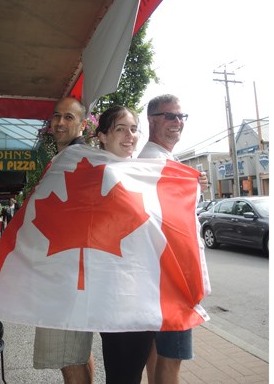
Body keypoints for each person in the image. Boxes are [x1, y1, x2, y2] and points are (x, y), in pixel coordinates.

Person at [138, 94, 208, 384]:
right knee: (172, 358)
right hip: (172, 278)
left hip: (160, 277)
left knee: (157, 353)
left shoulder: (163, 161)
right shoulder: (155, 164)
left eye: (181, 117)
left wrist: (193, 184)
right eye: (170, 116)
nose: (178, 122)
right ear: (152, 120)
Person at [33, 97, 95, 384]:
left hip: (67, 275)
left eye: (69, 117)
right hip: (71, 272)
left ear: (83, 124)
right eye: (57, 116)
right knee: (78, 353)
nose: (60, 122)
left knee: (67, 357)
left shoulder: (78, 159)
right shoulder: (67, 158)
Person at [94, 105, 155, 384]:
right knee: (124, 372)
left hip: (140, 287)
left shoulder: (136, 171)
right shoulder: (98, 172)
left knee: (126, 371)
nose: (130, 135)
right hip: (118, 292)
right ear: (103, 136)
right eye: (121, 129)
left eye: (133, 129)